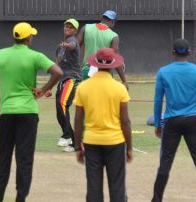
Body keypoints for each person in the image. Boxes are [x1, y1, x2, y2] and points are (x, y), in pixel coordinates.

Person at [0, 22, 63, 202]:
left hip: (6, 112)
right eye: (32, 35)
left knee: (4, 157)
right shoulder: (35, 56)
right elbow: (58, 72)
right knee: (24, 159)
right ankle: (20, 199)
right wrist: (43, 89)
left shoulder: (0, 54)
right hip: (28, 112)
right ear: (28, 37)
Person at [151, 38, 196, 202]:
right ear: (189, 53)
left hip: (172, 122)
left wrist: (158, 124)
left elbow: (158, 100)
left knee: (166, 161)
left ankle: (156, 199)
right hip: (192, 121)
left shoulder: (163, 72)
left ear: (173, 53)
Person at [73, 48, 133, 202]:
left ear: (95, 64)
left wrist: (78, 147)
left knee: (93, 187)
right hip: (115, 142)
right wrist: (130, 147)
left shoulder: (83, 87)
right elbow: (125, 121)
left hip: (92, 142)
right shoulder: (119, 88)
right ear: (113, 65)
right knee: (117, 186)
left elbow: (78, 120)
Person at [77, 10, 128, 89]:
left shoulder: (86, 27)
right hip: (105, 74)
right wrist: (124, 81)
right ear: (112, 22)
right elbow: (116, 59)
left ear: (102, 18)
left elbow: (75, 47)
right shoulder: (114, 36)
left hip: (86, 72)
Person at [55, 19, 82, 152]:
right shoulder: (59, 47)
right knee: (60, 112)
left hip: (72, 79)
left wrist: (67, 45)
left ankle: (66, 136)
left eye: (71, 27)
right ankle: (75, 143)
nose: (68, 29)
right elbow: (57, 67)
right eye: (67, 26)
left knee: (62, 103)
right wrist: (49, 87)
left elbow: (71, 45)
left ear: (75, 31)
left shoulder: (73, 41)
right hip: (61, 80)